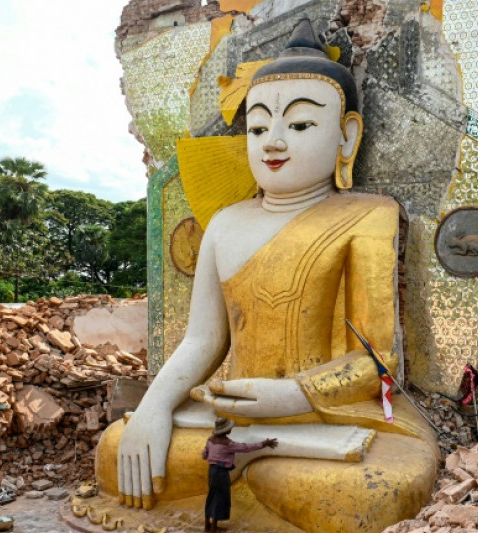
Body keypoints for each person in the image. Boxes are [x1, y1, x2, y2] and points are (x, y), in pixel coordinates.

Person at [96, 18, 438, 533]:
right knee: (117, 448)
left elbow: (378, 360)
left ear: (346, 136)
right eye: (257, 129)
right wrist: (155, 407)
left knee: (370, 490)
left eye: (299, 126)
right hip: (233, 414)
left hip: (328, 413)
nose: (273, 142)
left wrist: (292, 396)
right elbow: (202, 340)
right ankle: (251, 466)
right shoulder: (224, 223)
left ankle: (253, 468)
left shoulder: (369, 215)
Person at [202, 418, 277, 532]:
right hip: (221, 473)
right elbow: (246, 448)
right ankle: (213, 529)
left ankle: (207, 525)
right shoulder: (228, 444)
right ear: (225, 431)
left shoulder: (210, 439)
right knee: (219, 498)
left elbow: (204, 454)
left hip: (212, 471)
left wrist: (213, 456)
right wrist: (264, 443)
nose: (231, 429)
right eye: (229, 428)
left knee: (211, 496)